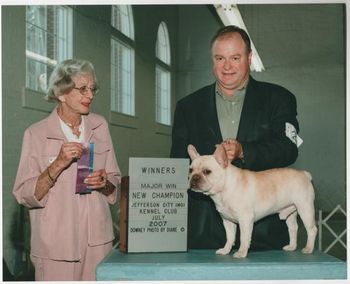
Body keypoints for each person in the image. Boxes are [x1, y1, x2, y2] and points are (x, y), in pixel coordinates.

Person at [171, 25, 301, 250]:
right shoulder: (187, 107)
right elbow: (176, 163)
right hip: (203, 235)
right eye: (220, 58)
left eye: (235, 57)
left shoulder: (280, 98)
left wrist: (245, 151)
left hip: (266, 234)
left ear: (249, 58)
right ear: (212, 61)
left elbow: (288, 149)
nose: (227, 66)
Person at [13, 59, 121, 281]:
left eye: (92, 89)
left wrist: (105, 182)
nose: (90, 96)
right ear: (61, 93)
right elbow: (24, 194)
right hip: (55, 247)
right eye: (82, 89)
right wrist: (58, 163)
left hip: (98, 243)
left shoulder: (100, 127)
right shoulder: (36, 134)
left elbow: (114, 182)